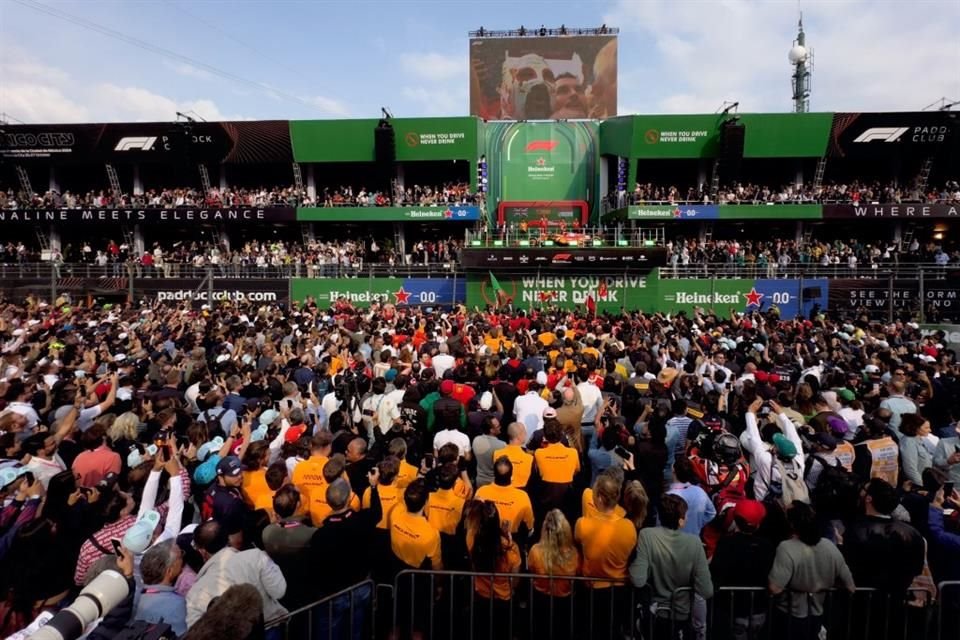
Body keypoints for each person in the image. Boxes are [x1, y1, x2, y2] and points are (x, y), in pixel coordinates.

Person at [629, 494, 713, 638]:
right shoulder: (694, 543)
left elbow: (638, 578)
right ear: (681, 520)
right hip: (680, 616)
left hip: (653, 613)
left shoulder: (647, 535)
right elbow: (706, 590)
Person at [768, 501, 855, 640]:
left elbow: (775, 588)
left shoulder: (786, 548)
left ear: (790, 524)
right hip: (817, 615)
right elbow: (850, 585)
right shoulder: (829, 546)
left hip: (789, 617)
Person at [185, 519, 288, 628]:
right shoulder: (256, 557)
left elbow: (196, 632)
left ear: (202, 551)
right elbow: (279, 591)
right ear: (228, 538)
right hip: (270, 627)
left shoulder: (195, 593)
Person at [710, 500, 775, 640]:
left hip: (733, 608)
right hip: (758, 608)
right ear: (758, 524)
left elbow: (716, 572)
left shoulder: (726, 543)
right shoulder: (766, 546)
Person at [527, 509, 580, 640]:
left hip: (541, 603)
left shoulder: (535, 551)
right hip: (564, 604)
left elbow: (531, 570)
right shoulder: (574, 554)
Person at [134, 539, 188, 636]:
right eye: (180, 557)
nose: (183, 559)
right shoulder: (176, 606)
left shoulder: (134, 597)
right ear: (169, 571)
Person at [475, 456, 535, 539]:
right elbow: (530, 527)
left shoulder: (481, 492)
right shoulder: (523, 496)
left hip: (485, 539)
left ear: (494, 474)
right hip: (511, 539)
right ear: (511, 475)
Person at [899, 413, 934, 486]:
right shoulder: (908, 443)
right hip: (919, 485)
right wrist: (921, 485)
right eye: (926, 428)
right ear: (916, 428)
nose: (930, 430)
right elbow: (910, 468)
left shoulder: (919, 440)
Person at [472, 415, 506, 486]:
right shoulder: (502, 445)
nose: (500, 427)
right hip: (494, 483)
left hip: (479, 481)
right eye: (498, 426)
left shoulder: (476, 440)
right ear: (491, 430)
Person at [499, 422, 534, 488]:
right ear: (519, 436)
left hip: (501, 491)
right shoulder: (529, 459)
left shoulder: (497, 454)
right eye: (524, 432)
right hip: (520, 493)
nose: (526, 435)